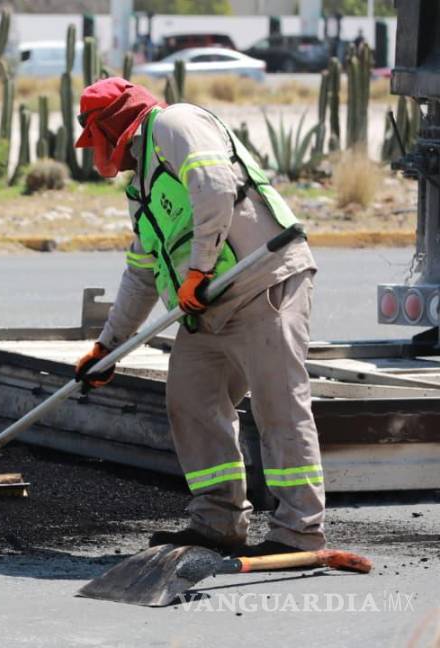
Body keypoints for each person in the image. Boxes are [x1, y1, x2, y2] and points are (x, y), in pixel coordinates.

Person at [72, 78, 325, 556]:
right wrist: (108, 347)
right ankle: (218, 523)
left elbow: (214, 186)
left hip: (261, 285)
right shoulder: (141, 189)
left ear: (113, 128)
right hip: (206, 307)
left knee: (279, 408)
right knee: (191, 402)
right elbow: (142, 272)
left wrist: (199, 269)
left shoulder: (174, 123)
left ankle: (298, 531)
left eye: (97, 139)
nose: (99, 154)